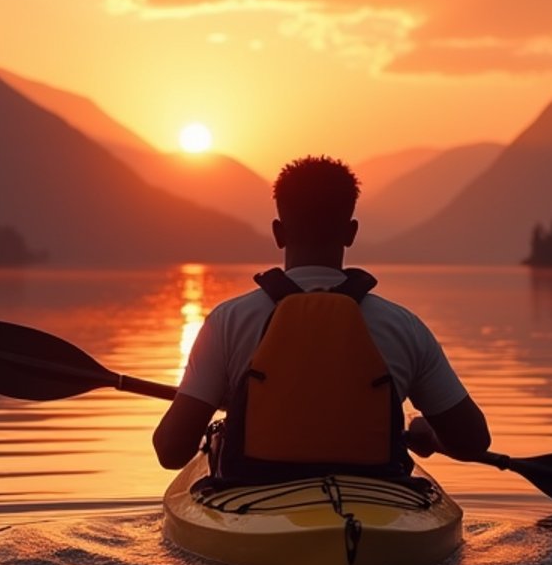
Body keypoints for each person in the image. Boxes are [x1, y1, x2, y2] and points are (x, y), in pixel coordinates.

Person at [153, 155, 490, 475]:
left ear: (278, 233)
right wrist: (427, 432)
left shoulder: (228, 322)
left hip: (252, 503)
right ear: (351, 232)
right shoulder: (404, 327)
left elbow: (171, 450)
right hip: (377, 504)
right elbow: (472, 442)